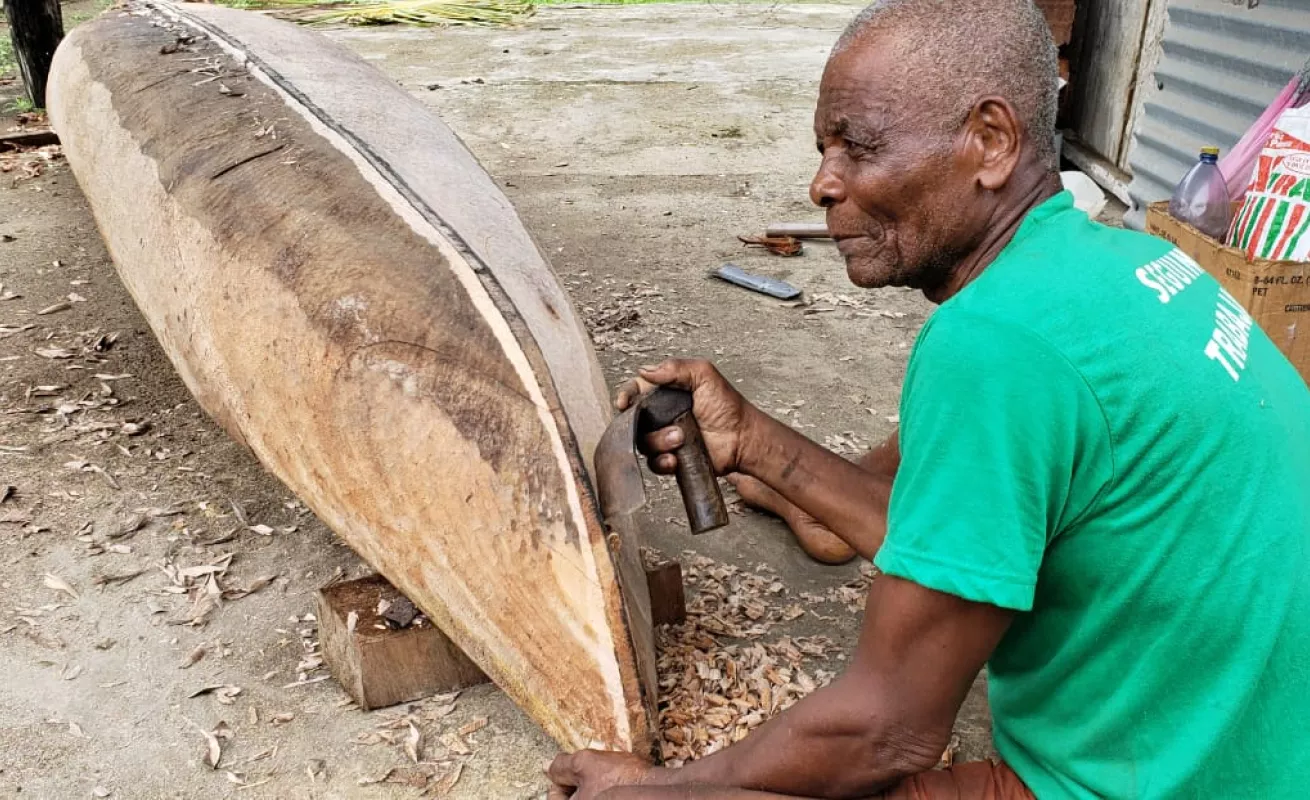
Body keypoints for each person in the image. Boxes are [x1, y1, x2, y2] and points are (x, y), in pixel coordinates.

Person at [547, 0, 1310, 797]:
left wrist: (654, 786)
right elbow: (952, 536)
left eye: (859, 147)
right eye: (824, 151)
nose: (821, 186)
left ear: (991, 141)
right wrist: (751, 440)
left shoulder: (995, 345)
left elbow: (886, 732)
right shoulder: (1108, 263)